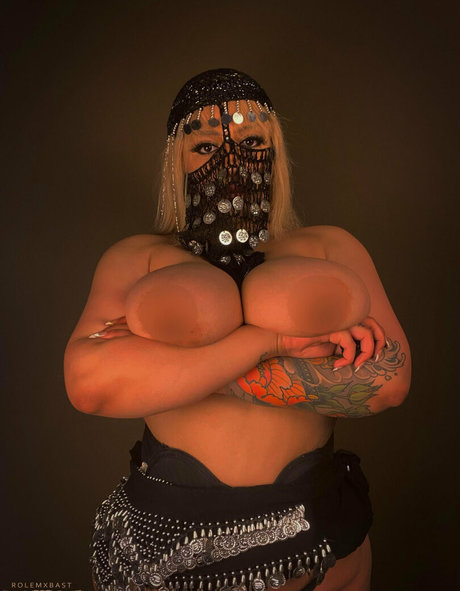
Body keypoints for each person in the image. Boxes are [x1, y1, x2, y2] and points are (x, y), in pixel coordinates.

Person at [64, 69, 411, 591]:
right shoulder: (136, 257)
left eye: (251, 142)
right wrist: (270, 344)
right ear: (176, 160)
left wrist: (178, 371)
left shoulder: (331, 247)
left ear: (276, 152)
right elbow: (89, 385)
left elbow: (387, 383)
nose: (230, 160)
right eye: (205, 147)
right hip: (166, 548)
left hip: (319, 540)